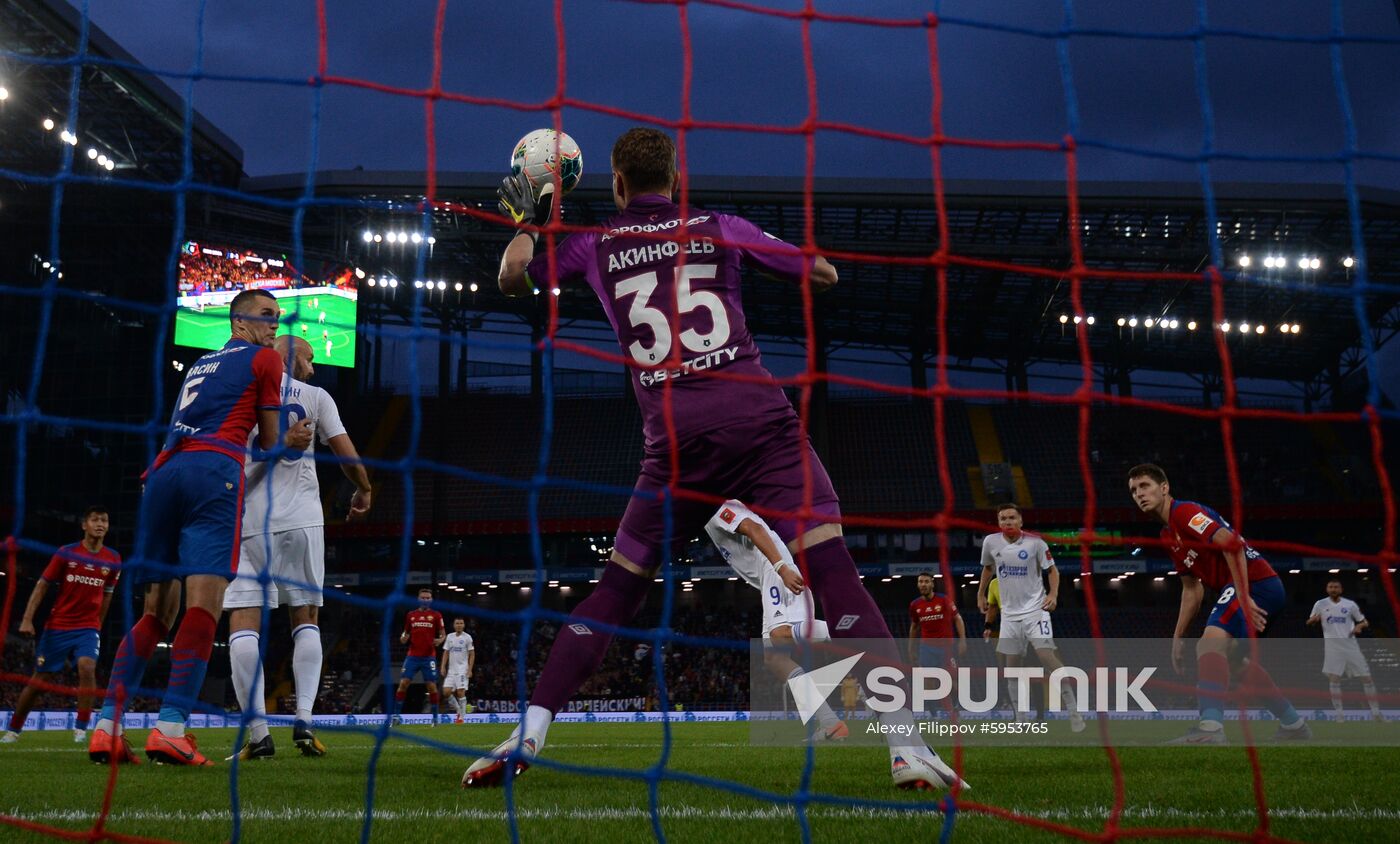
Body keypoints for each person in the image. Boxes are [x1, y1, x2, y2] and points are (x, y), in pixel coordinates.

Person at [465, 127, 965, 793]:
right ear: (676, 180)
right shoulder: (720, 226)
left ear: (616, 184)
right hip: (761, 428)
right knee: (832, 570)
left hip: (675, 447)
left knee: (615, 590)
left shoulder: (593, 243)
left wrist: (531, 220)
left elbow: (511, 278)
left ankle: (528, 732)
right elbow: (823, 273)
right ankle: (905, 746)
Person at [88, 289, 313, 767]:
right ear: (239, 322)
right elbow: (269, 443)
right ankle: (170, 729)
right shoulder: (265, 360)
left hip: (162, 475)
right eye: (267, 316)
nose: (275, 325)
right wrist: (292, 440)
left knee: (156, 612)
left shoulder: (199, 365)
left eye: (277, 317)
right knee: (205, 606)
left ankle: (107, 728)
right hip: (213, 473)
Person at [225, 336, 373, 760]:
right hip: (303, 521)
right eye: (309, 359)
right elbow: (346, 455)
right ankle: (304, 721)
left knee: (243, 622)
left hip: (251, 519)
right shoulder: (316, 396)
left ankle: (259, 735)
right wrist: (363, 489)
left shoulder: (243, 389)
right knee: (305, 617)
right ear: (290, 358)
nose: (313, 368)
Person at [1128, 463, 1309, 744]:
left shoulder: (1184, 512)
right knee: (1235, 661)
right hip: (1255, 588)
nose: (1139, 494)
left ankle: (1210, 729)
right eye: (1133, 490)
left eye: (1144, 486)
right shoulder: (1167, 535)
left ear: (1164, 488)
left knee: (1209, 644)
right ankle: (1294, 725)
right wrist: (1177, 637)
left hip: (1256, 584)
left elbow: (1231, 544)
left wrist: (1244, 595)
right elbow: (1192, 589)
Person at [703, 499, 847, 741]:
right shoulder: (702, 514)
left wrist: (781, 568)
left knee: (780, 636)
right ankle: (831, 723)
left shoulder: (718, 505)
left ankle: (853, 634)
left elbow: (754, 528)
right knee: (775, 659)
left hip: (775, 568)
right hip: (769, 575)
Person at [2, 507, 120, 745]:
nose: (100, 524)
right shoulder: (67, 552)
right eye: (95, 519)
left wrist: (97, 624)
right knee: (39, 682)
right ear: (84, 525)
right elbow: (43, 585)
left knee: (87, 667)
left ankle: (81, 729)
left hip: (87, 628)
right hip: (58, 626)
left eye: (104, 520)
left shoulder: (113, 559)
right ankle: (13, 729)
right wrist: (27, 618)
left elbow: (108, 594)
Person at [976, 504, 1083, 732]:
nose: (1008, 522)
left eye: (1012, 517)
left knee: (1047, 657)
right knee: (1012, 667)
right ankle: (1021, 718)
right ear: (998, 522)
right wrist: (980, 593)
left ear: (1021, 521)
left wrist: (1053, 594)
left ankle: (1074, 712)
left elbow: (1052, 570)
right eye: (1003, 518)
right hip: (1009, 616)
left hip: (1036, 611)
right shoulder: (991, 542)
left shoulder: (1036, 543)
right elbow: (987, 569)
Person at [1307, 579, 1382, 722]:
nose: (1333, 589)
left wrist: (1359, 626)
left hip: (1351, 646)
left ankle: (1376, 713)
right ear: (1327, 589)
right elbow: (1309, 621)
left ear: (1341, 589)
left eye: (1336, 587)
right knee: (1334, 679)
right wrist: (1314, 620)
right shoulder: (1320, 604)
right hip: (1333, 648)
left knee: (1367, 678)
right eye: (1331, 587)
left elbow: (1364, 621)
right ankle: (1340, 716)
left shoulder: (1350, 604)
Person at [395, 589, 446, 724]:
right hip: (412, 656)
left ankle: (435, 718)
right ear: (418, 599)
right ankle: (396, 716)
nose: (425, 600)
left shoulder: (436, 615)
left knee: (432, 687)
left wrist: (440, 640)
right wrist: (403, 638)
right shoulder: (411, 615)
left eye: (428, 598)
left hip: (428, 657)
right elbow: (405, 633)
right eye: (423, 597)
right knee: (403, 684)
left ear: (431, 600)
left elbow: (443, 634)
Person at [906, 572, 967, 672]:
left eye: (926, 582)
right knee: (927, 678)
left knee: (951, 678)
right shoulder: (915, 605)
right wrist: (911, 649)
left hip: (946, 647)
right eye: (921, 582)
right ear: (918, 584)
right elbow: (914, 626)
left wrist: (962, 640)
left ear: (932, 584)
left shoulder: (944, 600)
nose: (923, 584)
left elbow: (957, 618)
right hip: (926, 648)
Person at [441, 619, 475, 724]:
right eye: (457, 623)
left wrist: (470, 669)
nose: (459, 625)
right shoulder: (449, 637)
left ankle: (461, 718)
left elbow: (472, 654)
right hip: (451, 670)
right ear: (454, 625)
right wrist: (443, 666)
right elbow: (446, 652)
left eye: (461, 623)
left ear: (464, 625)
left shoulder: (467, 637)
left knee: (460, 692)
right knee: (446, 692)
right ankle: (458, 709)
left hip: (462, 669)